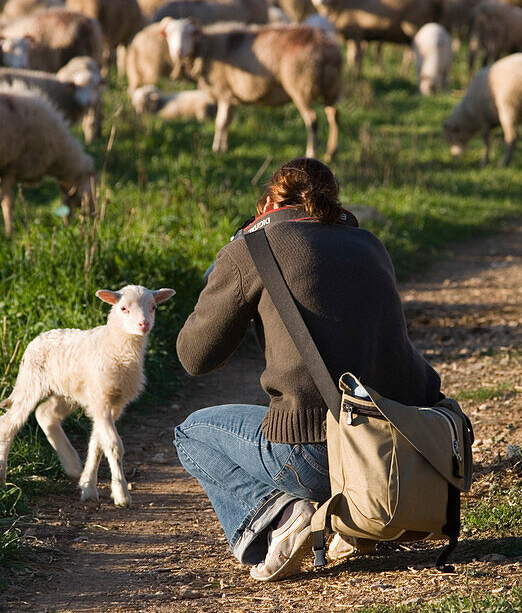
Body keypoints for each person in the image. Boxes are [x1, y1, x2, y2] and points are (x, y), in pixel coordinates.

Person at [173, 157, 443, 581]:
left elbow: (194, 357)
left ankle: (280, 515)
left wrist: (223, 275)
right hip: (402, 449)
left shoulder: (250, 250)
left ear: (266, 205)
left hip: (319, 455)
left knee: (191, 433)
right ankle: (351, 517)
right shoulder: (369, 243)